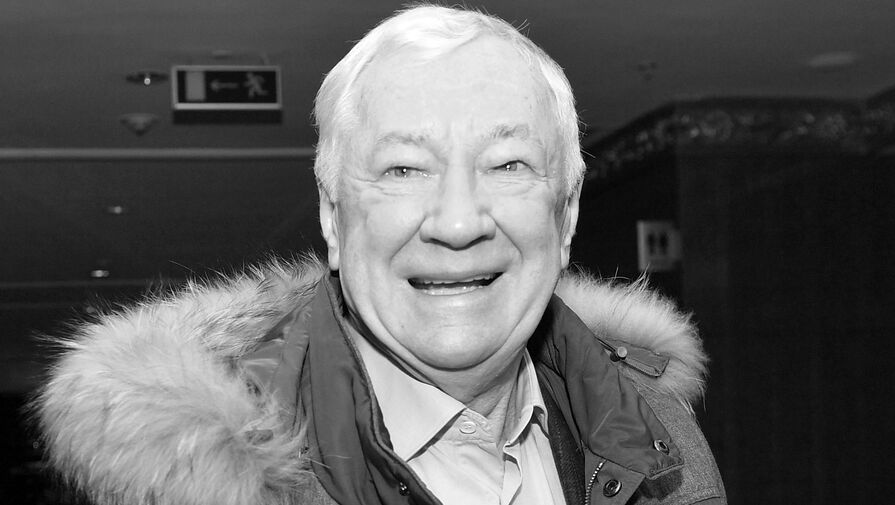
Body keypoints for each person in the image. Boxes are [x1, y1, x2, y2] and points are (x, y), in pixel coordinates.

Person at [36, 5, 726, 505]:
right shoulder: (188, 477)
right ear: (332, 217)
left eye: (507, 164)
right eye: (403, 169)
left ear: (566, 213)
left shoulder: (657, 429)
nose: (458, 221)